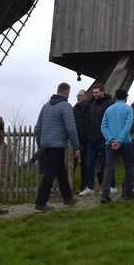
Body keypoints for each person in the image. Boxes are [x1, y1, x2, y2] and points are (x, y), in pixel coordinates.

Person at [34, 82, 81, 211]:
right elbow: (71, 128)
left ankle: (67, 198)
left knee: (61, 172)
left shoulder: (46, 107)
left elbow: (38, 128)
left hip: (46, 144)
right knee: (50, 173)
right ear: (66, 93)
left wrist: (40, 143)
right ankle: (40, 202)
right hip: (57, 144)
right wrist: (77, 147)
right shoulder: (65, 106)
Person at [99, 88, 134, 202]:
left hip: (110, 143)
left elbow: (103, 127)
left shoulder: (108, 109)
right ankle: (127, 193)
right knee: (129, 167)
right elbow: (128, 125)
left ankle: (105, 193)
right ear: (126, 97)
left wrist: (111, 140)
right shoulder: (128, 109)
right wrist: (119, 140)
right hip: (125, 143)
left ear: (116, 96)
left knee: (109, 168)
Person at [79, 83, 114, 196]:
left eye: (97, 92)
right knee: (89, 164)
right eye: (93, 93)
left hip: (104, 139)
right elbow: (89, 121)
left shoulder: (109, 104)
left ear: (102, 92)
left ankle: (111, 186)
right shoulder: (92, 105)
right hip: (92, 140)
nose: (94, 95)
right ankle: (90, 187)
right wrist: (88, 134)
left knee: (107, 163)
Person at [73, 89, 90, 191]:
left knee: (85, 165)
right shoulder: (73, 109)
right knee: (73, 164)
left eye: (80, 95)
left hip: (87, 141)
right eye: (77, 95)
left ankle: (84, 186)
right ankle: (70, 185)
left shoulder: (90, 109)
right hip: (76, 141)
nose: (78, 97)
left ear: (85, 97)